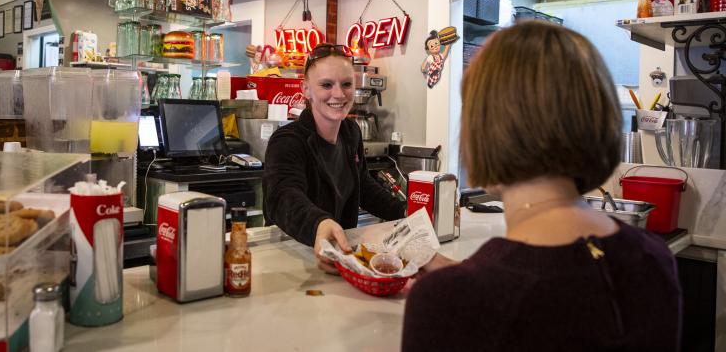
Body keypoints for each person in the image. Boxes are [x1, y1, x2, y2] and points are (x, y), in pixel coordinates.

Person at [402, 21, 682, 351]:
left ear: (489, 128)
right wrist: (468, 273)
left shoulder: (449, 301)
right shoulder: (654, 257)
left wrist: (463, 283)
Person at [263, 44, 406, 273]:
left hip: (338, 252)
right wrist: (319, 223)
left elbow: (364, 186)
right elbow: (282, 196)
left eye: (346, 84)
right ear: (306, 89)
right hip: (292, 253)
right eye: (326, 85)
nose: (339, 94)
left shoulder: (350, 132)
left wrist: (406, 213)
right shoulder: (287, 140)